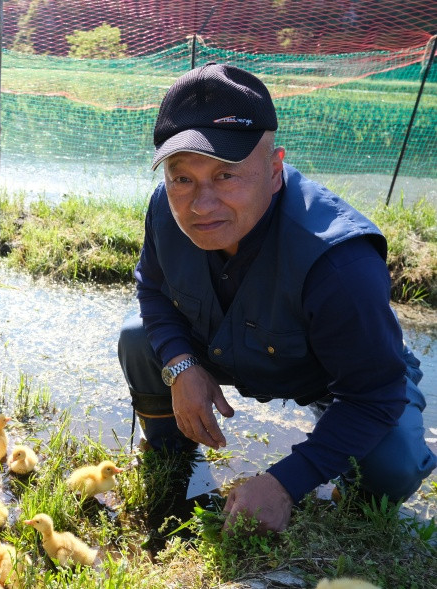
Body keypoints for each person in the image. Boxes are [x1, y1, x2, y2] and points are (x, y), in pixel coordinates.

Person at [117, 63, 435, 534]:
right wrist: (181, 365)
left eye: (226, 175)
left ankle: (349, 503)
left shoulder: (341, 263)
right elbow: (152, 288)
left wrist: (287, 482)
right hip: (227, 346)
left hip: (331, 374)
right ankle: (172, 454)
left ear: (273, 168)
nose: (201, 204)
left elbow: (373, 395)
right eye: (182, 178)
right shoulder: (165, 208)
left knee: (395, 462)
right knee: (139, 338)